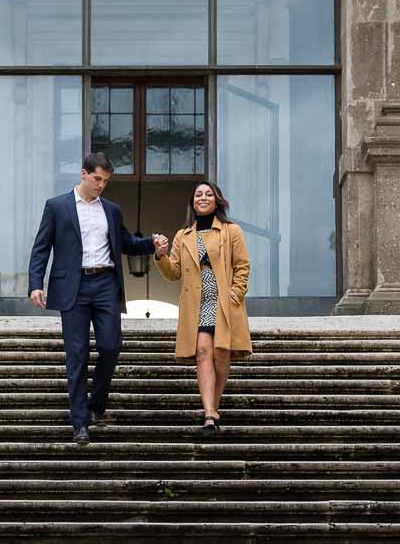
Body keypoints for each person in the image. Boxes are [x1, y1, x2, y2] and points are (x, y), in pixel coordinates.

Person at [28, 152, 164, 445]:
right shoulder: (57, 206)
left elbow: (126, 243)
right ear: (83, 174)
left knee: (111, 345)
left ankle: (96, 403)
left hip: (105, 283)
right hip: (72, 287)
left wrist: (152, 245)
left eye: (106, 181)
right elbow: (41, 247)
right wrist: (35, 284)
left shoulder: (112, 211)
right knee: (76, 355)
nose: (101, 185)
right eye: (97, 179)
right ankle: (80, 423)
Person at [153, 181, 251, 435]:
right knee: (203, 353)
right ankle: (210, 413)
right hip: (196, 304)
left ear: (217, 200)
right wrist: (161, 256)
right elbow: (174, 273)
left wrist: (235, 294)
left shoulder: (232, 231)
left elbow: (242, 266)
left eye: (208, 194)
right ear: (192, 202)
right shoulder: (183, 235)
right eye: (198, 194)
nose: (203, 197)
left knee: (221, 352)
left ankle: (213, 408)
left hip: (223, 302)